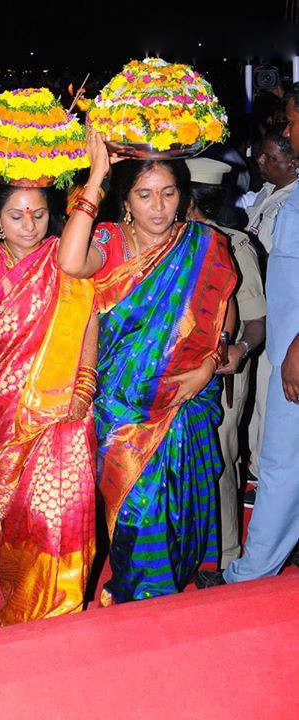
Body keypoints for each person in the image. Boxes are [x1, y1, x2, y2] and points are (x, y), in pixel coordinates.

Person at [57, 131, 237, 604]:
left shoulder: (204, 243)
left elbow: (226, 316)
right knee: (136, 506)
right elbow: (70, 262)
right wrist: (97, 175)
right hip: (121, 409)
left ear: (184, 198)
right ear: (126, 201)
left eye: (168, 193)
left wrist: (209, 365)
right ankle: (138, 596)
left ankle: (163, 594)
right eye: (144, 194)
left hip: (184, 402)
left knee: (182, 508)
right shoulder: (110, 241)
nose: (157, 206)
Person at [0, 148, 98, 626]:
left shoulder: (64, 258)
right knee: (18, 510)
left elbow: (88, 319)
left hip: (64, 406)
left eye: (37, 215)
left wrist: (85, 383)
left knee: (63, 508)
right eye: (16, 215)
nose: (29, 225)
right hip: (6, 406)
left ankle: (60, 603)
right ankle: (23, 591)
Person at [195, 84, 299, 589]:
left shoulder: (230, 241)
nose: (287, 134)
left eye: (293, 123)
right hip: (286, 351)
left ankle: (248, 571)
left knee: (277, 462)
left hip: (291, 354)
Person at [185, 157, 266, 569]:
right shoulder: (169, 243)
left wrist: (241, 351)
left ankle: (224, 553)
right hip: (178, 373)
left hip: (224, 373)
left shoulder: (235, 245)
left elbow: (255, 320)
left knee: (219, 457)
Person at [240, 125, 299, 502]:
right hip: (262, 305)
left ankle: (265, 476)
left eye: (270, 158)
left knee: (270, 395)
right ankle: (257, 468)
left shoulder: (292, 200)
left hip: (283, 316)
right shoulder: (266, 192)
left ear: (293, 164)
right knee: (259, 397)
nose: (260, 162)